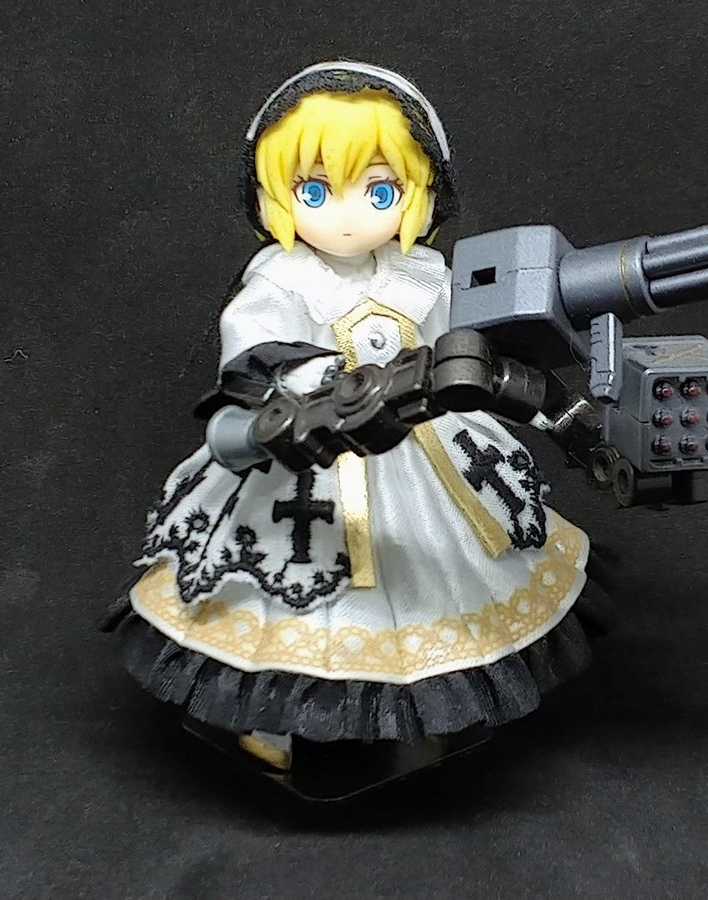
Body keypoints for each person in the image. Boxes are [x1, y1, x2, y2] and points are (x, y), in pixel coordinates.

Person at [108, 61, 592, 772]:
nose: (345, 214)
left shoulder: (422, 275)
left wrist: (543, 406)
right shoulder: (282, 279)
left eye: (379, 190)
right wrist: (318, 389)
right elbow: (255, 354)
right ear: (275, 196)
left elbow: (468, 353)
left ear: (419, 192)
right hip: (313, 448)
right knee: (297, 600)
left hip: (424, 450)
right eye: (313, 190)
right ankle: (278, 726)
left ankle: (430, 715)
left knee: (438, 580)